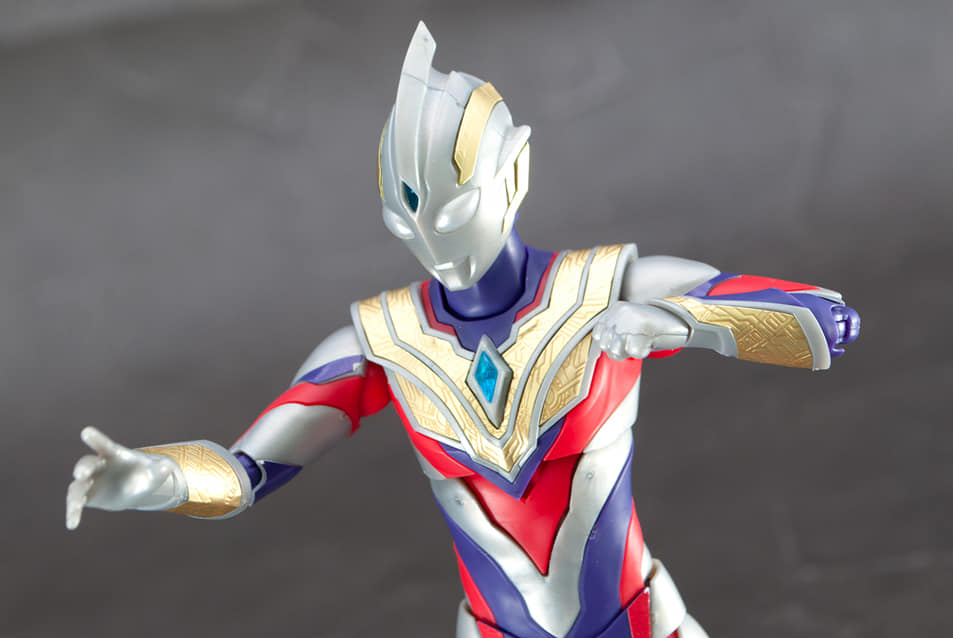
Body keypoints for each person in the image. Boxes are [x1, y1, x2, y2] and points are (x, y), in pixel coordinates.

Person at [66, 22, 859, 638]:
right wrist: (157, 481)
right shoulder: (384, 343)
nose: (432, 244)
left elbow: (827, 320)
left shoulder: (603, 291)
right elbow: (245, 472)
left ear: (513, 174)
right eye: (404, 222)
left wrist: (682, 320)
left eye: (450, 214)